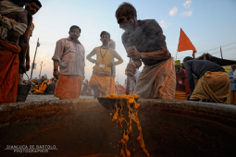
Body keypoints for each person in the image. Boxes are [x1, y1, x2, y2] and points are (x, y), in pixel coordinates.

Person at [116, 2, 176, 99]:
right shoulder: (125, 37)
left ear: (132, 15)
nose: (120, 26)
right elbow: (137, 61)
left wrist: (140, 55)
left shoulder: (150, 24)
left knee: (164, 99)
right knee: (137, 99)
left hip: (164, 64)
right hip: (148, 67)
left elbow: (164, 53)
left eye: (122, 21)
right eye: (119, 23)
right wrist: (133, 66)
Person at [0, 0, 33, 104]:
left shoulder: (27, 15)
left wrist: (22, 61)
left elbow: (23, 40)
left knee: (8, 89)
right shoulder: (2, 4)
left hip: (13, 55)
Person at [87, 31, 123, 98]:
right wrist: (94, 61)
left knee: (104, 94)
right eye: (103, 37)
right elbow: (88, 56)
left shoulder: (112, 51)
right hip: (96, 74)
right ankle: (95, 104)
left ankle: (101, 106)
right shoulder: (97, 49)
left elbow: (121, 60)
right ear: (100, 39)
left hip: (106, 75)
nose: (104, 38)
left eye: (106, 37)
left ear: (109, 40)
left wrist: (112, 63)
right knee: (95, 90)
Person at [52, 25, 85, 99]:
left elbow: (83, 62)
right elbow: (56, 57)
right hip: (66, 74)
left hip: (78, 75)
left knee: (74, 99)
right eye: (73, 31)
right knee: (63, 97)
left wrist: (83, 74)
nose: (75, 33)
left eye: (77, 32)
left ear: (79, 35)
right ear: (69, 32)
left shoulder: (82, 47)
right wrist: (55, 70)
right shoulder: (62, 41)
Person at [18, 0, 42, 84]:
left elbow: (26, 41)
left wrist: (27, 59)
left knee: (19, 82)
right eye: (32, 6)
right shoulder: (16, 13)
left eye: (37, 9)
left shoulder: (31, 24)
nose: (34, 10)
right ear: (26, 4)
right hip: (9, 49)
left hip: (20, 55)